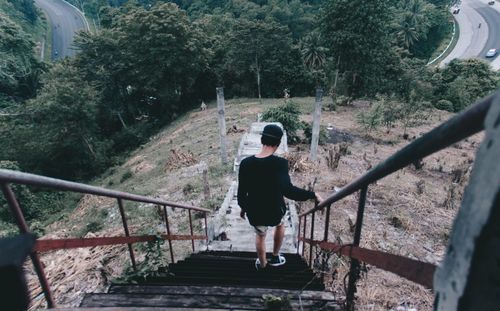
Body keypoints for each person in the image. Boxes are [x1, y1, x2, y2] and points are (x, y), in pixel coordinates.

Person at [237, 124, 323, 271]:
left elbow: (241, 194)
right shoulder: (280, 164)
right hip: (275, 210)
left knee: (260, 235)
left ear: (262, 140)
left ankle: (263, 264)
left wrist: (244, 208)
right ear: (278, 143)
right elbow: (288, 191)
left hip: (255, 211)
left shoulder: (245, 163)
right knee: (280, 224)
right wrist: (312, 195)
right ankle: (275, 256)